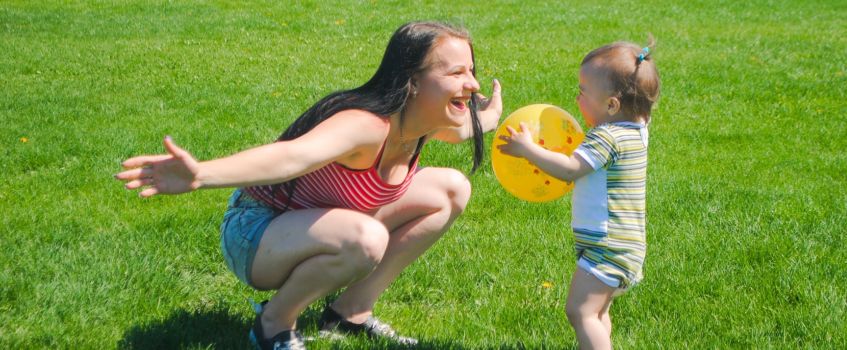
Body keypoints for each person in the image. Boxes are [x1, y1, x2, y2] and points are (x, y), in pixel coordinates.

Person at [115, 21, 502, 350]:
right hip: (256, 232)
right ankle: (273, 326)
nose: (472, 83)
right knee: (365, 238)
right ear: (413, 82)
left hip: (316, 227)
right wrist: (201, 174)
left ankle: (349, 312)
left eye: (470, 70)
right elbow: (290, 157)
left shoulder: (422, 125)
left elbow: (464, 129)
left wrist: (490, 119)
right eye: (456, 73)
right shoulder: (366, 126)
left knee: (452, 188)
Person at [496, 38, 659, 349]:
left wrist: (527, 149)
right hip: (624, 244)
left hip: (606, 245)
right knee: (597, 312)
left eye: (583, 92)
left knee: (580, 311)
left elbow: (570, 168)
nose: (576, 97)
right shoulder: (637, 129)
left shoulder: (606, 137)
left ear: (612, 105)